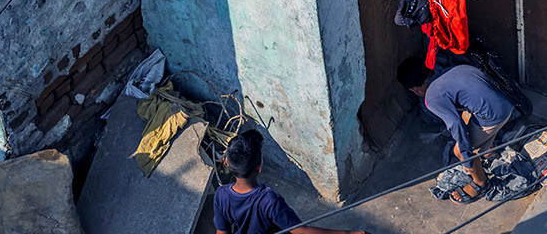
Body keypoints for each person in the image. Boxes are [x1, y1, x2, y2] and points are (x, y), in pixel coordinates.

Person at [397, 56, 517, 203]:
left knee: (459, 151)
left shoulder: (432, 98)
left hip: (496, 115)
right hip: (508, 102)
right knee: (468, 116)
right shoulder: (453, 70)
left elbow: (455, 124)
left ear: (414, 89)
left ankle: (481, 184)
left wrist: (467, 158)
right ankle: (490, 151)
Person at [213, 130, 367, 234]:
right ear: (259, 167)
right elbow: (301, 231)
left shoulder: (220, 195)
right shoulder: (269, 200)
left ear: (227, 162)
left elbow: (222, 232)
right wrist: (349, 233)